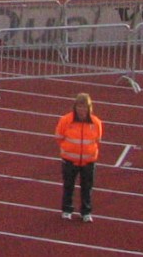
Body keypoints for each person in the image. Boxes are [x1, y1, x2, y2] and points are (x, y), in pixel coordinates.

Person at [56, 92, 102, 222]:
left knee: (87, 188)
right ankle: (66, 210)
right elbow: (59, 137)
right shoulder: (66, 120)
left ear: (89, 108)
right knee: (68, 186)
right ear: (75, 107)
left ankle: (86, 212)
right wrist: (69, 150)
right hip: (70, 160)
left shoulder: (96, 122)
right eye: (79, 106)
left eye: (84, 107)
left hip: (88, 161)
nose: (82, 110)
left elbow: (97, 139)